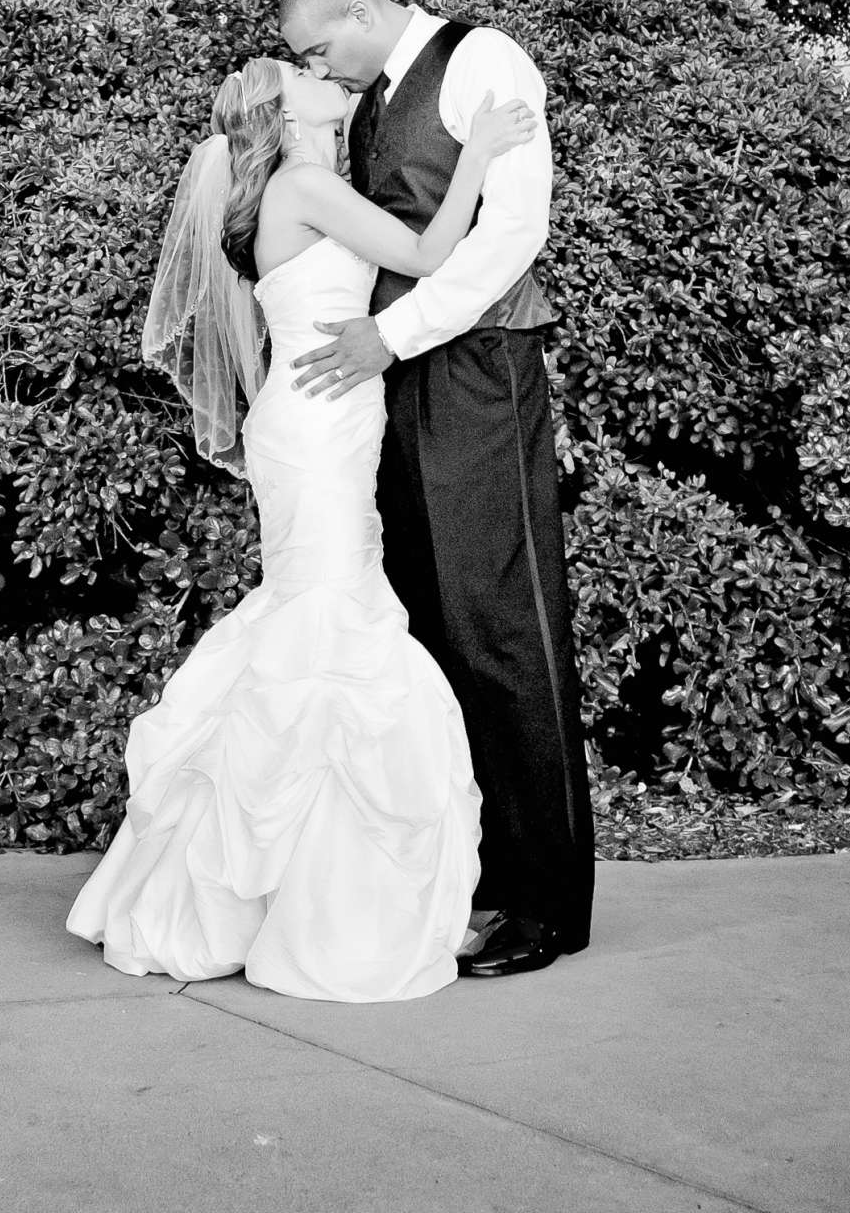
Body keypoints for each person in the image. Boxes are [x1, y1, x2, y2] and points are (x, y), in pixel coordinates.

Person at [66, 56, 535, 1001]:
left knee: (318, 619)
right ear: (286, 112)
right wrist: (480, 152)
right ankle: (312, 896)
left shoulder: (308, 182)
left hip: (322, 414)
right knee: (327, 624)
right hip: (318, 425)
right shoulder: (307, 184)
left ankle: (278, 884)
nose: (326, 74)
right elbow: (428, 257)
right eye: (306, 71)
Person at [280, 0, 595, 979]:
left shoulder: (483, 58)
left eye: (319, 48)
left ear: (360, 12)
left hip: (479, 367)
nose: (316, 69)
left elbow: (513, 231)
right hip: (399, 381)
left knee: (501, 621)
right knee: (434, 627)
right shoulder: (364, 105)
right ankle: (476, 877)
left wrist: (394, 335)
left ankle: (544, 901)